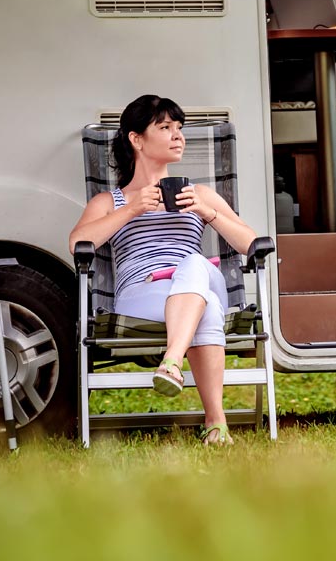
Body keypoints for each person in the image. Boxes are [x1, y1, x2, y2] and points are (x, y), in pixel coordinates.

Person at [69, 94, 257, 445]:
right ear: (136, 139)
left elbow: (251, 243)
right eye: (165, 127)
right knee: (209, 308)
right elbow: (78, 243)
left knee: (193, 263)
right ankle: (216, 423)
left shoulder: (199, 194)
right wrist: (131, 210)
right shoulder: (110, 201)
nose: (178, 135)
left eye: (180, 128)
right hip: (142, 294)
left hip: (198, 276)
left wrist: (207, 211)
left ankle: (171, 362)